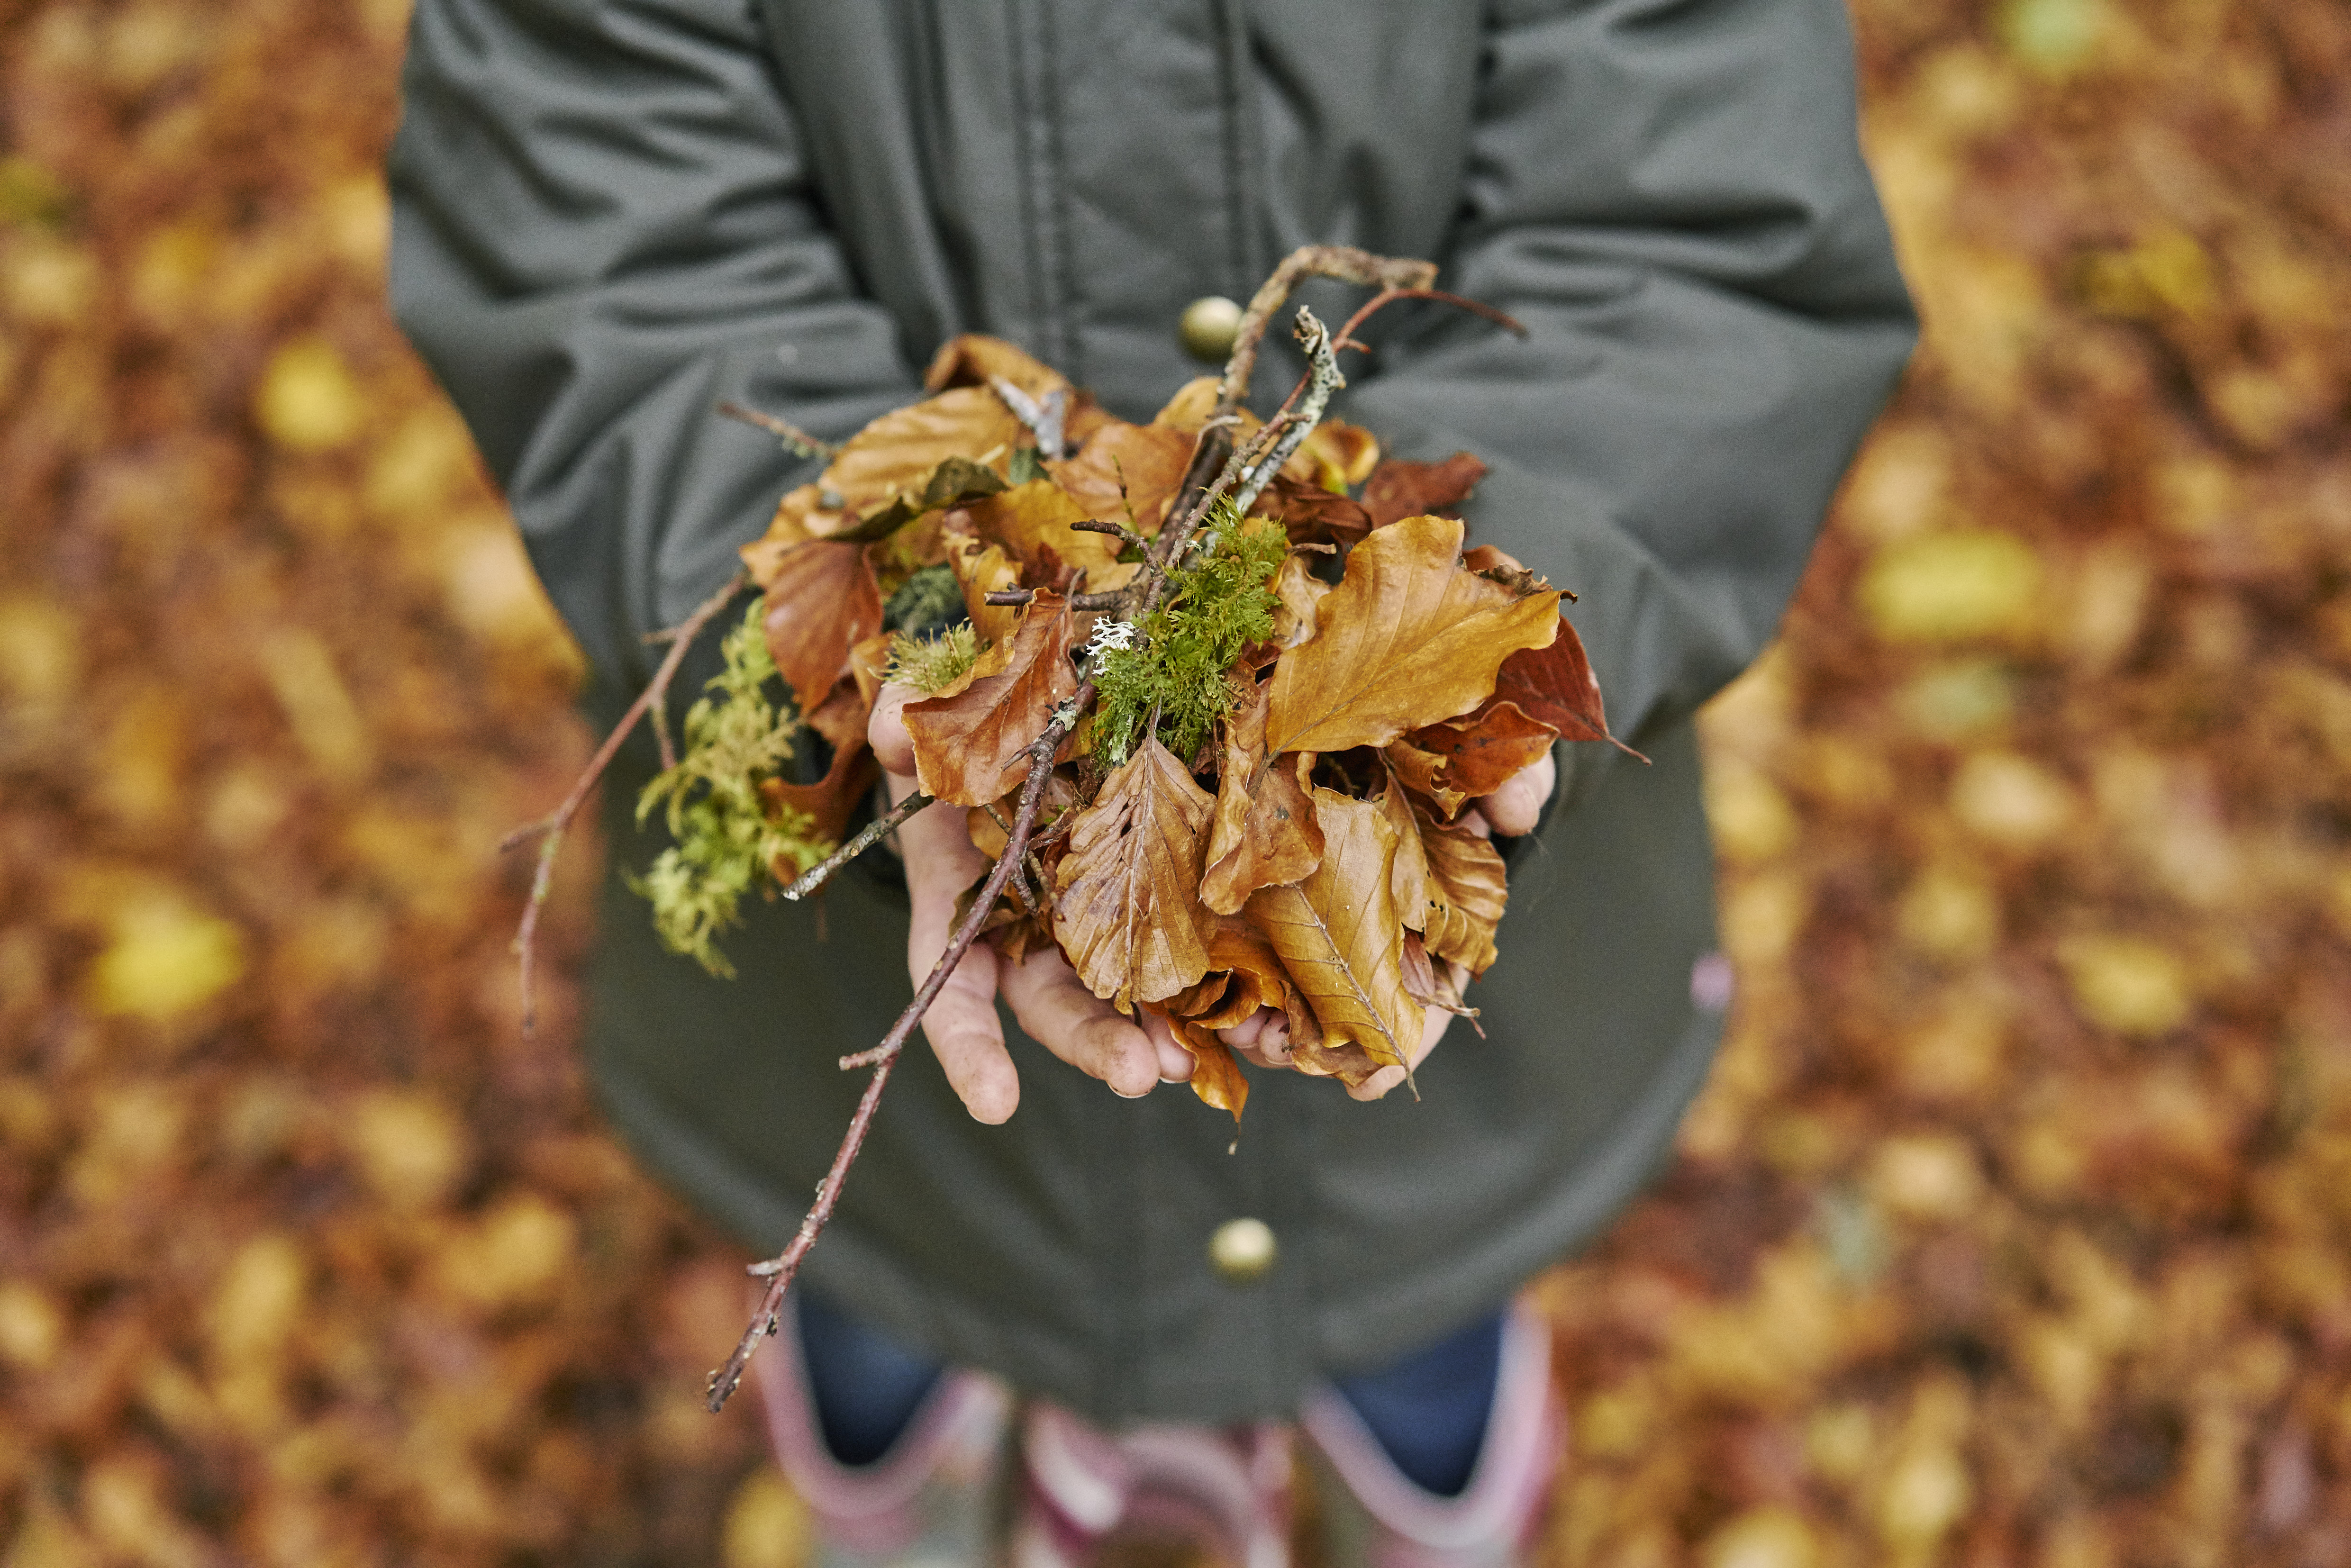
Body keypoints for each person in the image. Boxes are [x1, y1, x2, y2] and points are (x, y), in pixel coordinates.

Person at [387, 1, 1915, 1563]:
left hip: (1449, 1065)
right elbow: (607, 243)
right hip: (853, 995)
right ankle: (909, 1483)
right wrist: (905, 630)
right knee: (878, 1302)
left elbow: (1691, 222)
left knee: (1416, 1324)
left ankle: (1422, 1498)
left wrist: (1465, 632)